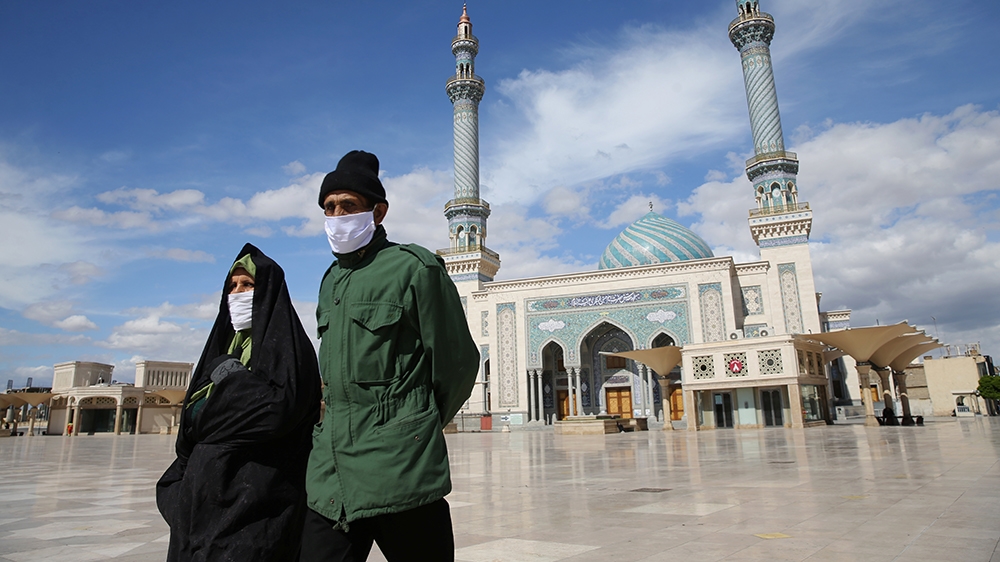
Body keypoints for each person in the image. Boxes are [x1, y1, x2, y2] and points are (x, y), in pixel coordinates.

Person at [301, 150, 479, 561]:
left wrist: (413, 423)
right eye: (329, 207)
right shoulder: (332, 280)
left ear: (378, 212)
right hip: (332, 475)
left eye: (349, 205)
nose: (337, 215)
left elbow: (456, 364)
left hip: (401, 471)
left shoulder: (414, 269)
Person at [157, 244, 321, 562]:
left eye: (247, 284)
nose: (237, 293)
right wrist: (179, 493)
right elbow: (191, 424)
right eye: (232, 286)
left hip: (257, 510)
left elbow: (274, 413)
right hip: (198, 509)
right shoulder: (223, 348)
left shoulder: (289, 352)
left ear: (268, 290)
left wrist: (226, 382)